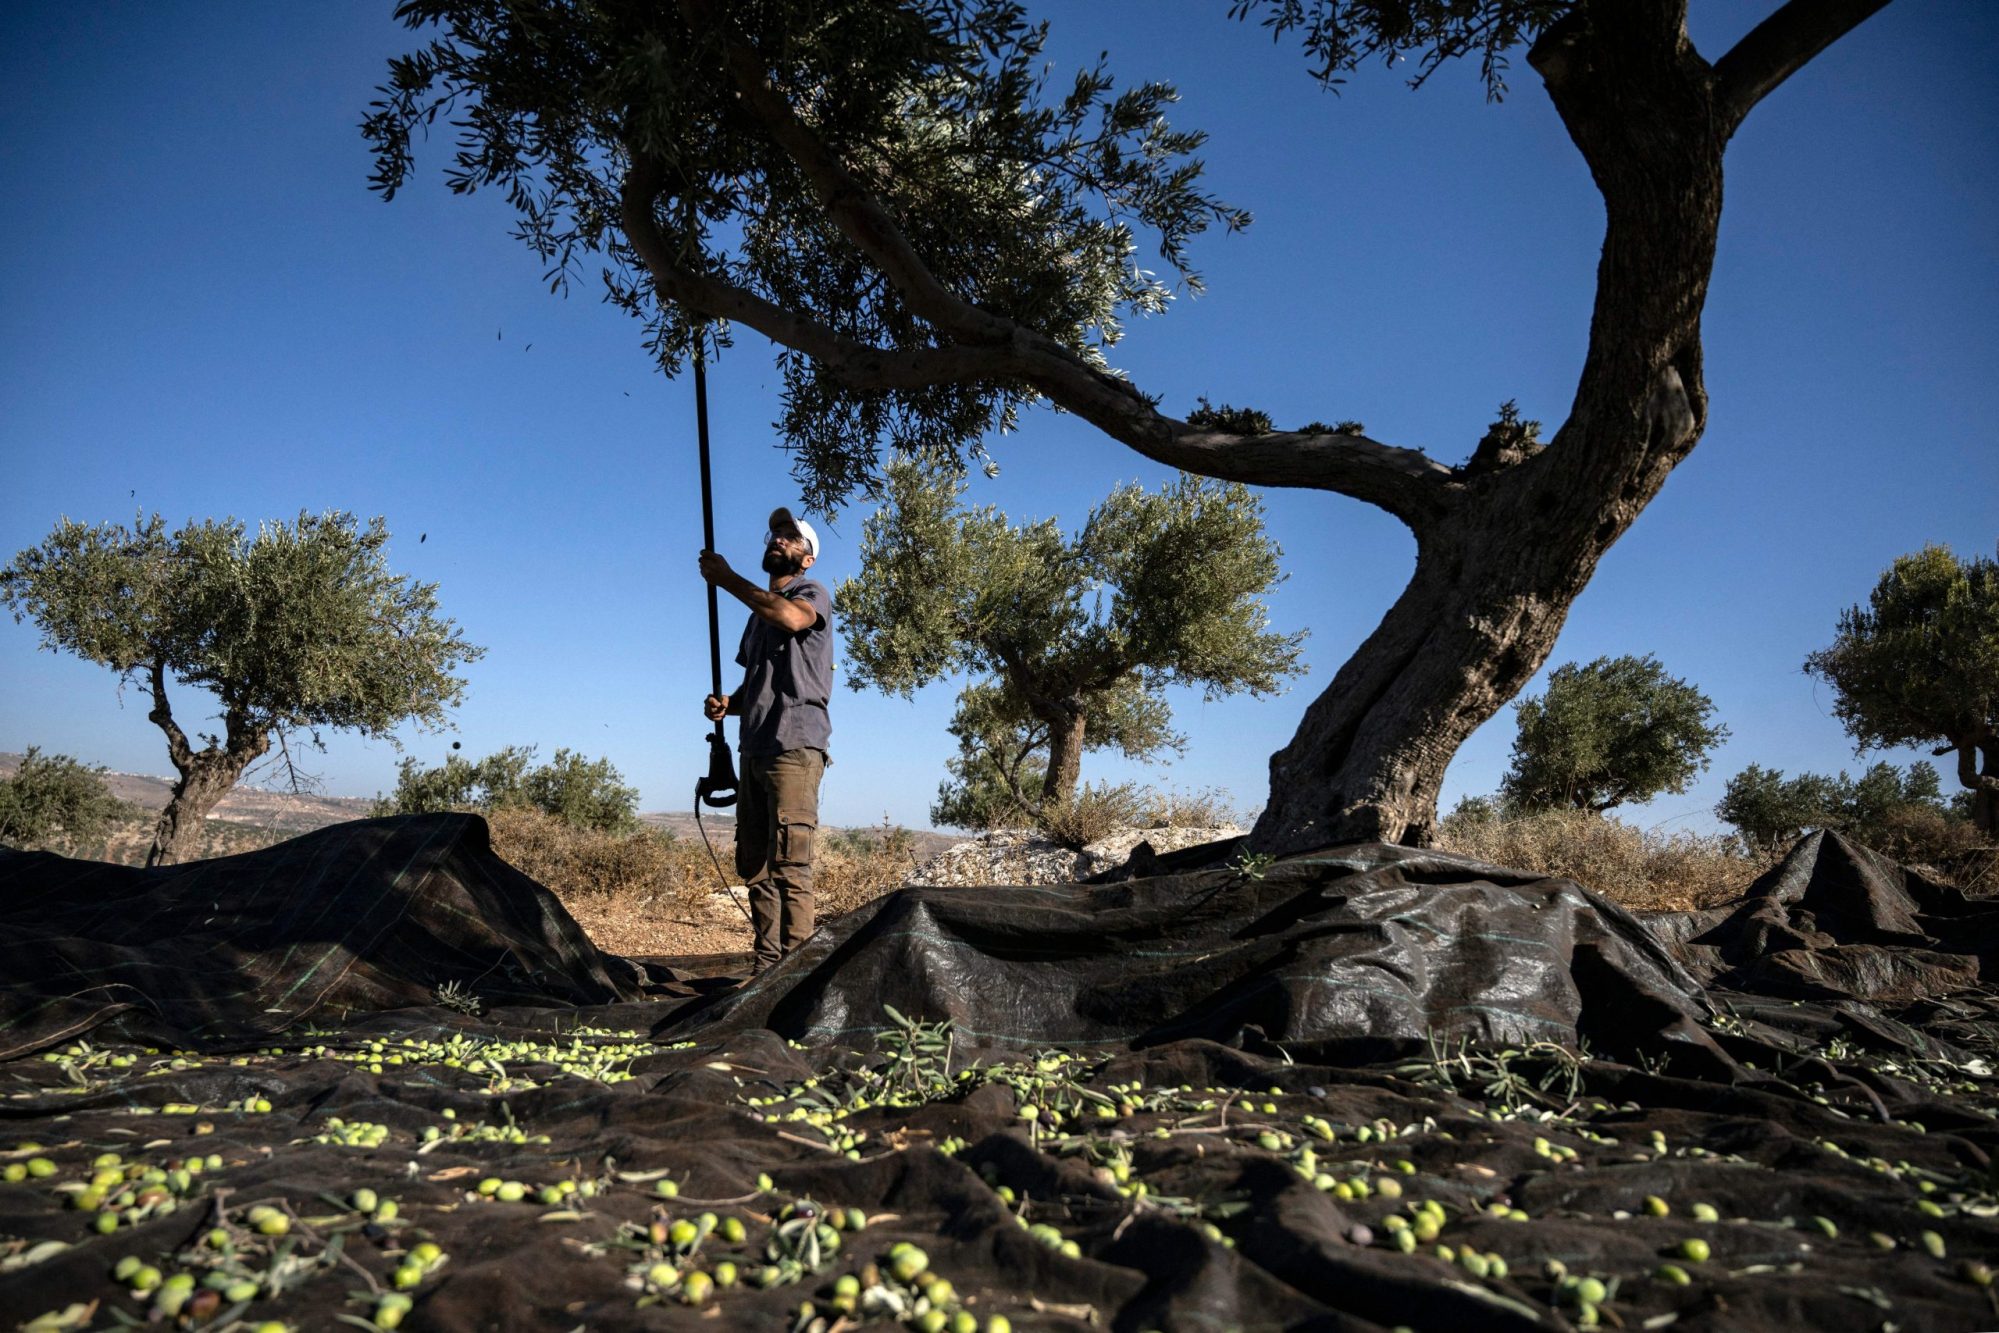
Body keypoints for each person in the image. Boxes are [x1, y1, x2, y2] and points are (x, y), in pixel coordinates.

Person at [698, 507, 833, 974]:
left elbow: (793, 620)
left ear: (807, 559)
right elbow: (759, 684)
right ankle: (766, 969)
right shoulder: (757, 617)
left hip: (794, 747)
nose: (778, 539)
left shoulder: (810, 593)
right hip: (753, 746)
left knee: (791, 865)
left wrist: (727, 578)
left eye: (791, 537)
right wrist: (727, 705)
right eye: (775, 532)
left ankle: (795, 977)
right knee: (755, 866)